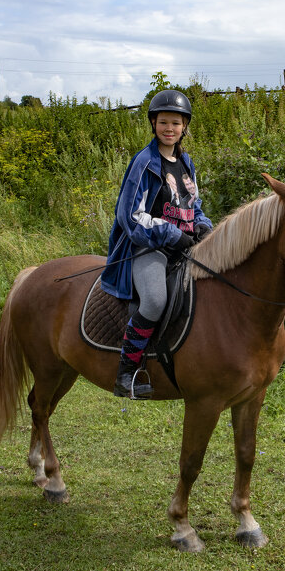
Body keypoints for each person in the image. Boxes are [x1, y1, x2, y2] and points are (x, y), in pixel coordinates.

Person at [101, 89, 213, 398]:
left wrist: (203, 227)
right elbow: (130, 216)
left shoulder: (186, 163)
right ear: (153, 124)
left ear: (184, 127)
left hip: (186, 243)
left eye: (176, 123)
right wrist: (173, 235)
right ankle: (126, 373)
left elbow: (194, 205)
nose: (169, 129)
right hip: (150, 247)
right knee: (154, 300)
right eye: (163, 122)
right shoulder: (145, 162)